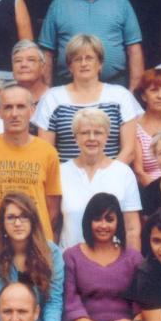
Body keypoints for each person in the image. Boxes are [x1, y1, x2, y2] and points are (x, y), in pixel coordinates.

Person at [62, 193, 143, 321]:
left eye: (109, 219)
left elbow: (143, 305)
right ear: (88, 221)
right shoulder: (72, 256)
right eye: (97, 219)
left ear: (118, 222)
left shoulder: (133, 258)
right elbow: (71, 304)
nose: (103, 225)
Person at [0, 85, 61, 246]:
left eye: (21, 107)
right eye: (8, 107)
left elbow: (53, 210)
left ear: (32, 111)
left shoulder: (48, 152)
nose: (14, 114)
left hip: (35, 245)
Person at [38, 0, 143, 87]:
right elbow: (47, 52)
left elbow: (134, 50)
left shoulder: (121, 3)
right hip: (68, 87)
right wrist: (46, 91)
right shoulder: (59, 4)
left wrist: (134, 91)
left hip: (114, 86)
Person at [35, 34, 141, 163]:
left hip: (114, 174)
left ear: (100, 63)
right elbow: (46, 152)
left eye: (89, 58)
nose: (84, 63)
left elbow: (129, 151)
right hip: (64, 174)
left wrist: (109, 173)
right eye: (77, 59)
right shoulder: (52, 97)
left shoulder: (121, 96)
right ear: (70, 66)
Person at [0, 192, 65, 321]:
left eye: (24, 216)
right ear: (2, 223)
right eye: (11, 217)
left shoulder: (51, 253)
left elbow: (54, 299)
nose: (18, 223)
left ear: (33, 220)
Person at [57, 107, 143, 250]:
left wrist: (132, 262)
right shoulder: (61, 172)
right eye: (85, 133)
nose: (92, 138)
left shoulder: (123, 173)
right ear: (75, 137)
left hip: (113, 260)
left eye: (98, 133)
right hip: (69, 259)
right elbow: (54, 223)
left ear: (107, 136)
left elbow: (132, 229)